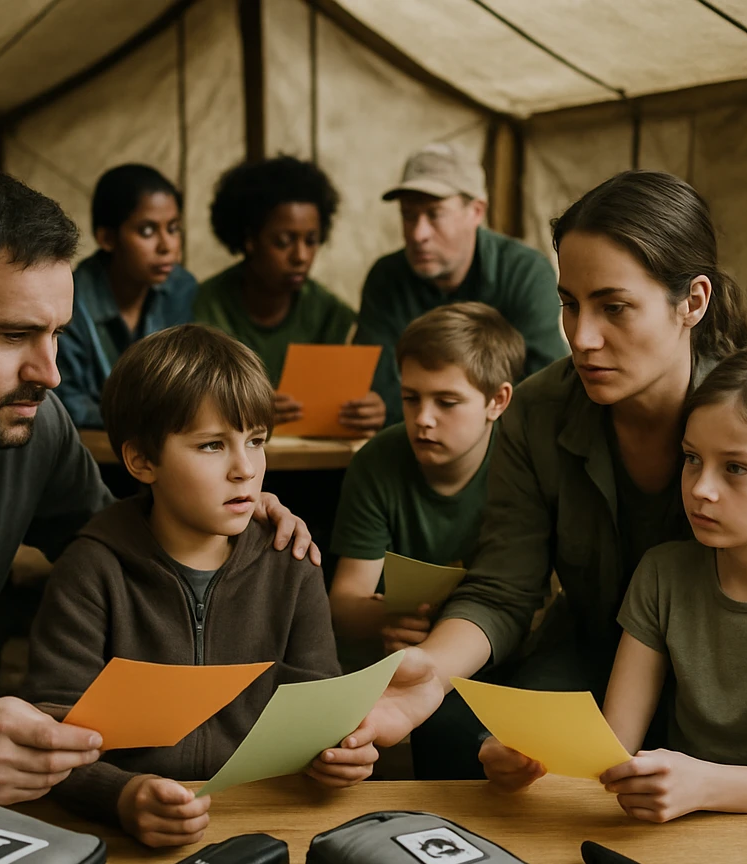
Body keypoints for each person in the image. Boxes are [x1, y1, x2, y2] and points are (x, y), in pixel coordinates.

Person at [0, 167, 317, 807]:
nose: (51, 373)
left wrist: (223, 509)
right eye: (13, 334)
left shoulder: (33, 424)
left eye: (58, 333)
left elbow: (132, 550)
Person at [343, 170, 747, 775]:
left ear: (693, 302)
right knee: (461, 738)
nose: (581, 338)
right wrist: (431, 674)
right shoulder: (536, 408)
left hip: (731, 681)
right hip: (583, 656)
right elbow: (504, 587)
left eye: (615, 307)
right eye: (569, 304)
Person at [483, 338, 747, 864]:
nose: (701, 489)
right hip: (687, 816)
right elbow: (612, 743)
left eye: (737, 469)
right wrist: (528, 755)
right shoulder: (664, 574)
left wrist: (701, 785)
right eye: (693, 458)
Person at [22, 325, 377, 847]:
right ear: (142, 460)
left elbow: (320, 713)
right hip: (122, 833)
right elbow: (49, 732)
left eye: (256, 441)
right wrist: (121, 794)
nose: (246, 469)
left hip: (271, 822)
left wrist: (341, 753)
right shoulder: (91, 570)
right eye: (212, 445)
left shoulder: (293, 562)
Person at [328, 302, 521, 672]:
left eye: (447, 402)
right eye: (410, 399)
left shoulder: (521, 464)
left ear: (497, 401)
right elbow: (344, 604)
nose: (423, 419)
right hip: (388, 662)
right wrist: (389, 620)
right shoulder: (377, 460)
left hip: (492, 660)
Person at [354, 142, 568, 425]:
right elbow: (374, 386)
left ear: (476, 212)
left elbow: (546, 385)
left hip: (506, 443)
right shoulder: (386, 277)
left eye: (434, 214)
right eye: (408, 215)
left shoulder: (524, 272)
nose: (418, 234)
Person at [194, 155, 383, 433]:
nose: (301, 256)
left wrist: (369, 408)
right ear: (249, 240)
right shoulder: (203, 306)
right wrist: (246, 407)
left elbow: (338, 402)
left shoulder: (332, 314)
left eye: (311, 240)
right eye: (283, 242)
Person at [56, 164, 197, 428]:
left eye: (173, 228)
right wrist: (144, 420)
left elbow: (187, 382)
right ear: (108, 238)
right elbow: (66, 400)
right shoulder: (69, 298)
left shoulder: (180, 288)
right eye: (147, 231)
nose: (167, 246)